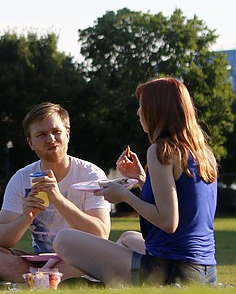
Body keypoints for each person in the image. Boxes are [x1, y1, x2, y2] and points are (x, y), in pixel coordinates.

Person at [54, 77, 218, 287]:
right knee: (128, 238)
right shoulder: (203, 153)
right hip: (204, 271)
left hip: (174, 272)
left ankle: (105, 285)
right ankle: (107, 285)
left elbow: (169, 221)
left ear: (156, 110)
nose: (138, 113)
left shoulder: (160, 150)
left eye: (142, 106)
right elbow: (184, 207)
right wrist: (142, 180)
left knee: (64, 239)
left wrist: (124, 196)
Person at [0, 102, 111, 282]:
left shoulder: (91, 174)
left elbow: (101, 234)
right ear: (31, 143)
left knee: (98, 254)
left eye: (56, 132)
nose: (51, 139)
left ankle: (38, 281)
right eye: (41, 134)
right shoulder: (22, 178)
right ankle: (45, 280)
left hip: (78, 258)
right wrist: (25, 218)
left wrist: (58, 199)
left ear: (67, 134)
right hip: (38, 260)